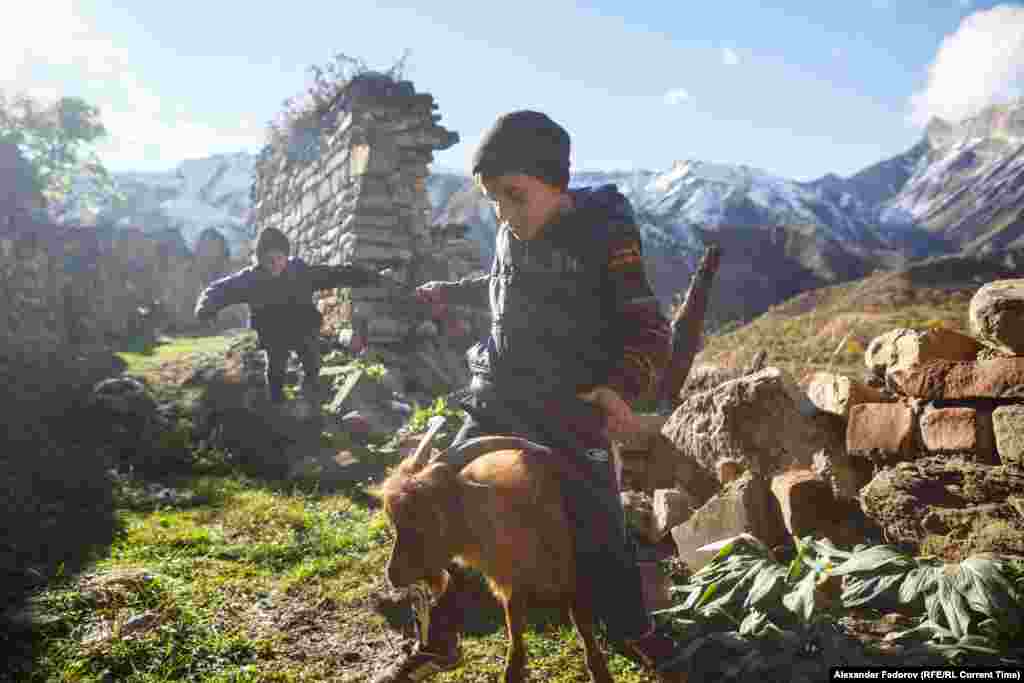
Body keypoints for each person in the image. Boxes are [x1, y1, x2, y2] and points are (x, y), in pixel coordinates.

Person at [373, 110, 682, 682]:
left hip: (570, 405)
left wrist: (621, 389)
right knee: (432, 495)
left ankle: (632, 631)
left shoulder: (607, 235)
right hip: (498, 394)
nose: (505, 214)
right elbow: (503, 290)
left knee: (595, 521)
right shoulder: (512, 228)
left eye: (515, 196)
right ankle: (440, 637)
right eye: (493, 200)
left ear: (557, 184)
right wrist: (451, 292)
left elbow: (647, 328)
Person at [194, 227, 383, 403]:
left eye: (279, 257)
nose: (275, 263)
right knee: (276, 369)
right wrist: (206, 308)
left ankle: (309, 394)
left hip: (302, 327)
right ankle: (277, 402)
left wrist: (367, 276)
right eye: (269, 259)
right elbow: (220, 290)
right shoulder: (251, 279)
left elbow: (335, 274)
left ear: (286, 256)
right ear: (261, 260)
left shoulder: (300, 272)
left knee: (312, 362)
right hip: (273, 333)